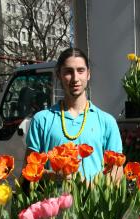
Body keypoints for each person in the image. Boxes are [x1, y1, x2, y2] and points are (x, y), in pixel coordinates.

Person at [25, 47, 122, 180]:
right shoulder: (42, 120)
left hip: (93, 200)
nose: (75, 78)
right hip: (54, 199)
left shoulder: (107, 121)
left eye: (80, 71)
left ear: (88, 74)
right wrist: (56, 176)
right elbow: (29, 169)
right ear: (59, 75)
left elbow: (117, 171)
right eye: (68, 72)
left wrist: (89, 187)